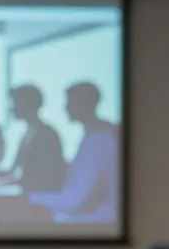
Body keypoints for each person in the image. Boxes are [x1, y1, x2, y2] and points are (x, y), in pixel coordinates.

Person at [27, 82, 119, 224]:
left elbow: (76, 199)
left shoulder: (98, 140)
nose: (65, 108)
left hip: (93, 220)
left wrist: (30, 198)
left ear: (83, 105)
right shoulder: (95, 136)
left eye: (69, 103)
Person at [2, 85, 67, 195]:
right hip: (29, 194)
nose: (12, 108)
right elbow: (15, 170)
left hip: (39, 198)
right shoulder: (29, 132)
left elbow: (49, 177)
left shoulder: (46, 134)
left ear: (28, 104)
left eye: (15, 102)